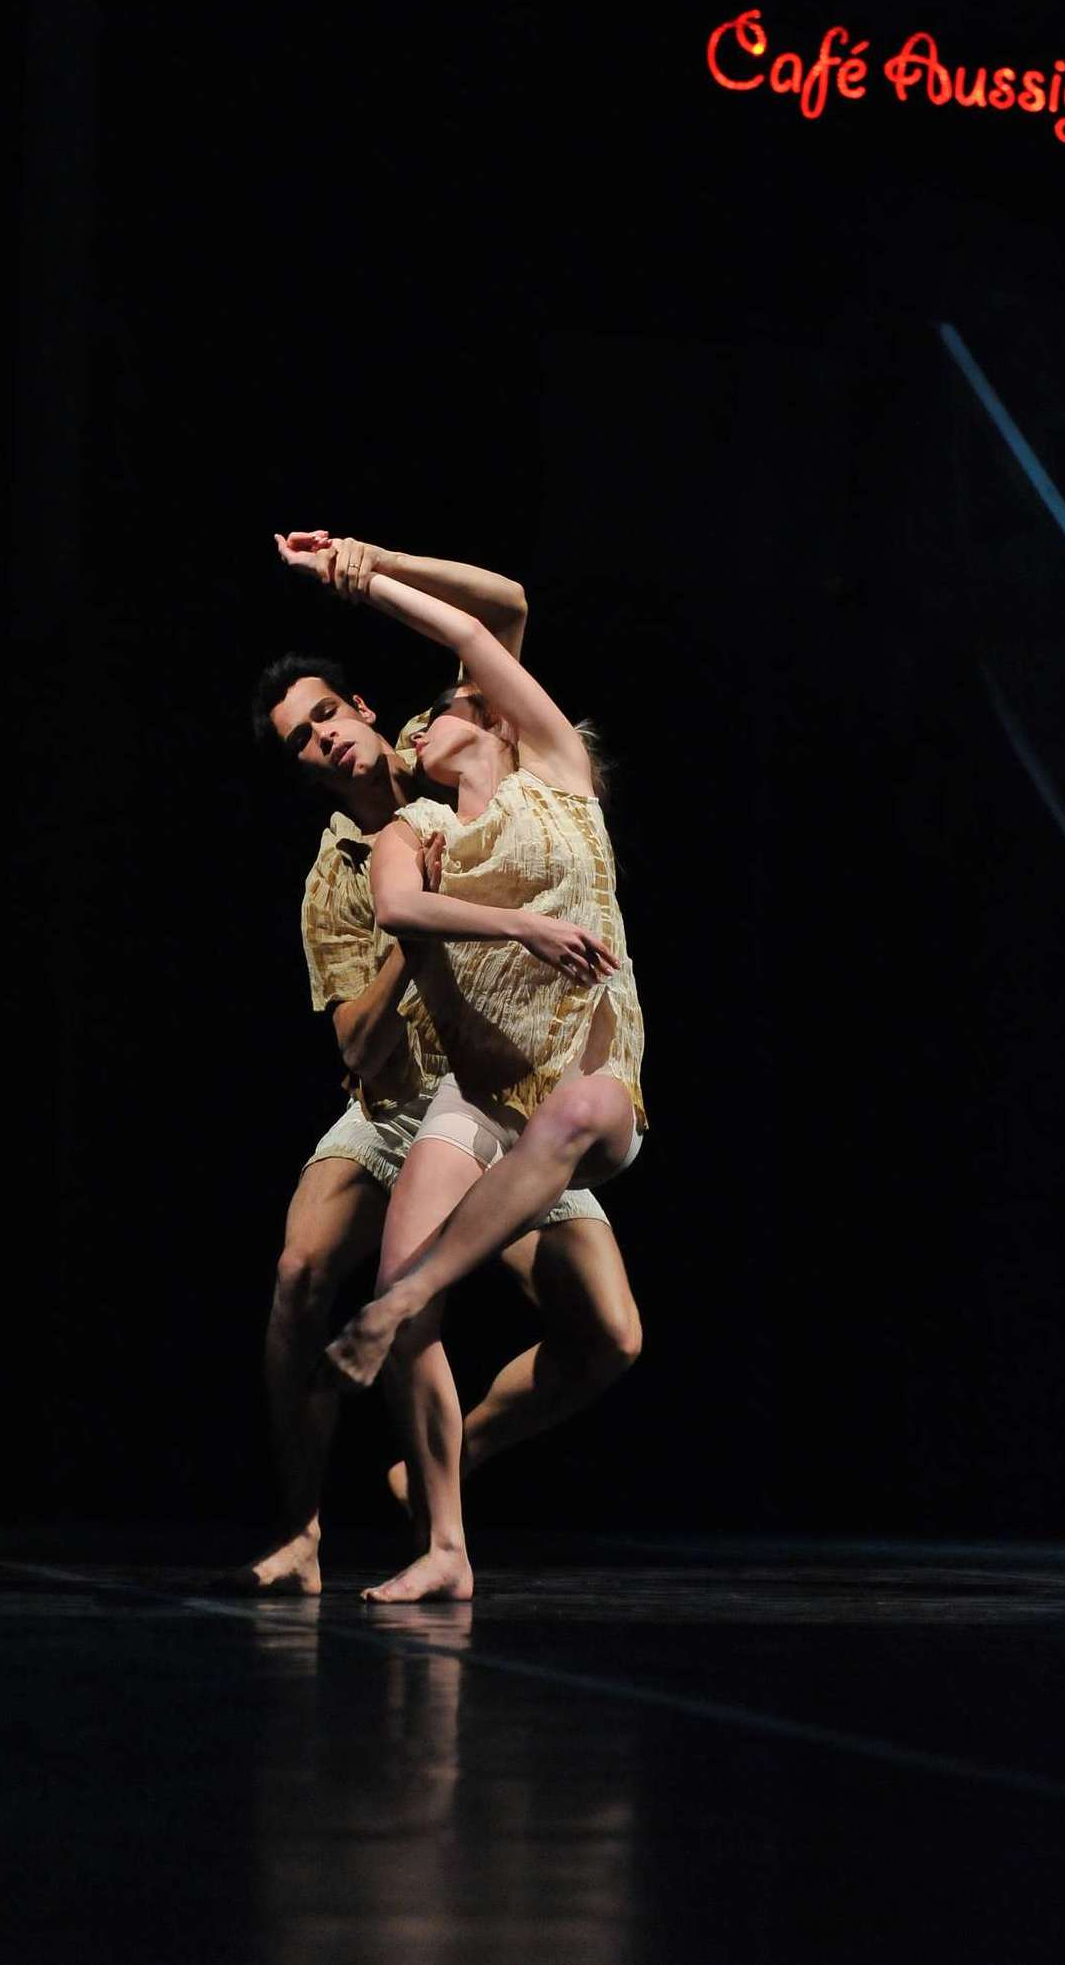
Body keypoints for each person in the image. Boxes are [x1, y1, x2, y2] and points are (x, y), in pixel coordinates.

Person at [241, 539, 642, 1596]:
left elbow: (496, 615)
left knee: (608, 1336)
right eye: (302, 743)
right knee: (305, 1272)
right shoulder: (356, 863)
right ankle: (305, 1528)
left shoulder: (471, 750)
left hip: (526, 1076)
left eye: (328, 716)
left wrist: (365, 564)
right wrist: (430, 935)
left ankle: (428, 1471)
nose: (325, 741)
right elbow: (357, 1044)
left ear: (368, 711)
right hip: (404, 1100)